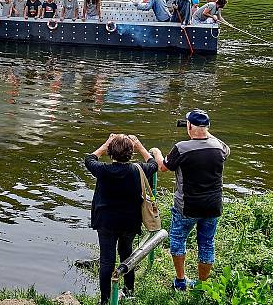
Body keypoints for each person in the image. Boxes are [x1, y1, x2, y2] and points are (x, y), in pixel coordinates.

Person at [150, 110, 230, 290]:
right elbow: (223, 147)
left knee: (178, 241)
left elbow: (163, 167)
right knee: (207, 243)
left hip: (187, 207)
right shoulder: (220, 147)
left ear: (189, 126)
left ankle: (180, 281)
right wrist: (204, 132)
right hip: (213, 205)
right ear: (207, 127)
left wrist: (156, 152)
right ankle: (203, 285)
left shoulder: (181, 148)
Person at [85, 134, 158, 304]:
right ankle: (129, 290)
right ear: (131, 153)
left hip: (106, 222)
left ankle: (105, 300)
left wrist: (106, 144)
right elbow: (153, 163)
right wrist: (139, 146)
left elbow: (89, 159)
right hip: (130, 221)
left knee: (106, 261)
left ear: (110, 153)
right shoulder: (138, 170)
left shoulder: (102, 170)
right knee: (127, 254)